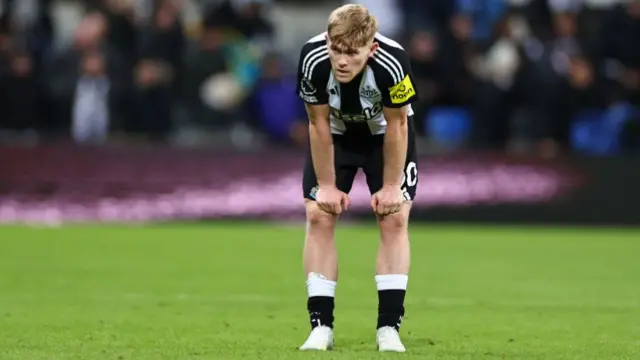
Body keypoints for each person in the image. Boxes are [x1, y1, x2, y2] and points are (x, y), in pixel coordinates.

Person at [296, 4, 419, 353]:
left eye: (352, 53)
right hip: (335, 135)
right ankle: (321, 327)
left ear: (371, 47)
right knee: (318, 215)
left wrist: (393, 185)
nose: (341, 61)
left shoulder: (393, 62)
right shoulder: (312, 58)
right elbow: (317, 123)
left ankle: (388, 328)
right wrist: (328, 185)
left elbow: (398, 124)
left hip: (384, 137)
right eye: (336, 49)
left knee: (394, 221)